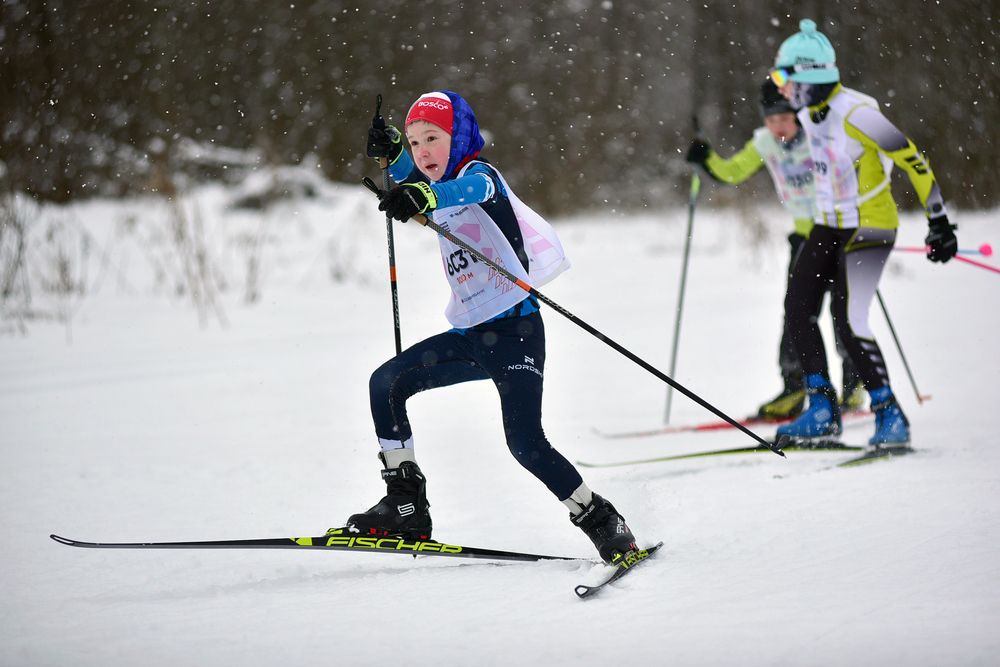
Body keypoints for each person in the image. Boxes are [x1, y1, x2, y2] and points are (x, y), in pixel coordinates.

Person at [350, 90, 641, 564]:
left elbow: (459, 192)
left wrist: (421, 193)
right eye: (416, 141)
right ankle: (406, 507)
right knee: (385, 383)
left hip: (515, 335)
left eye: (433, 139)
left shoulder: (478, 176)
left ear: (460, 138)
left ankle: (603, 520)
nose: (423, 151)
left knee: (525, 443)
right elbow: (413, 176)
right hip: (470, 337)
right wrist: (395, 153)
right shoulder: (431, 175)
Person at [768, 20, 957, 445]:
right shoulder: (808, 112)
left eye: (784, 77)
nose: (780, 87)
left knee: (848, 319)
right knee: (797, 307)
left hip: (871, 224)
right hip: (829, 223)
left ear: (809, 78)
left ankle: (890, 414)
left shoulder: (857, 113)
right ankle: (821, 408)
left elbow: (913, 159)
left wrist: (939, 220)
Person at [686, 78, 864, 421]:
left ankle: (854, 384)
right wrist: (705, 158)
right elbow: (732, 171)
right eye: (771, 120)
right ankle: (795, 386)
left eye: (784, 118)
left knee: (844, 311)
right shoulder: (765, 142)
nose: (778, 127)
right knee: (796, 314)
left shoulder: (819, 137)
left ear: (798, 116)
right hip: (804, 239)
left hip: (841, 233)